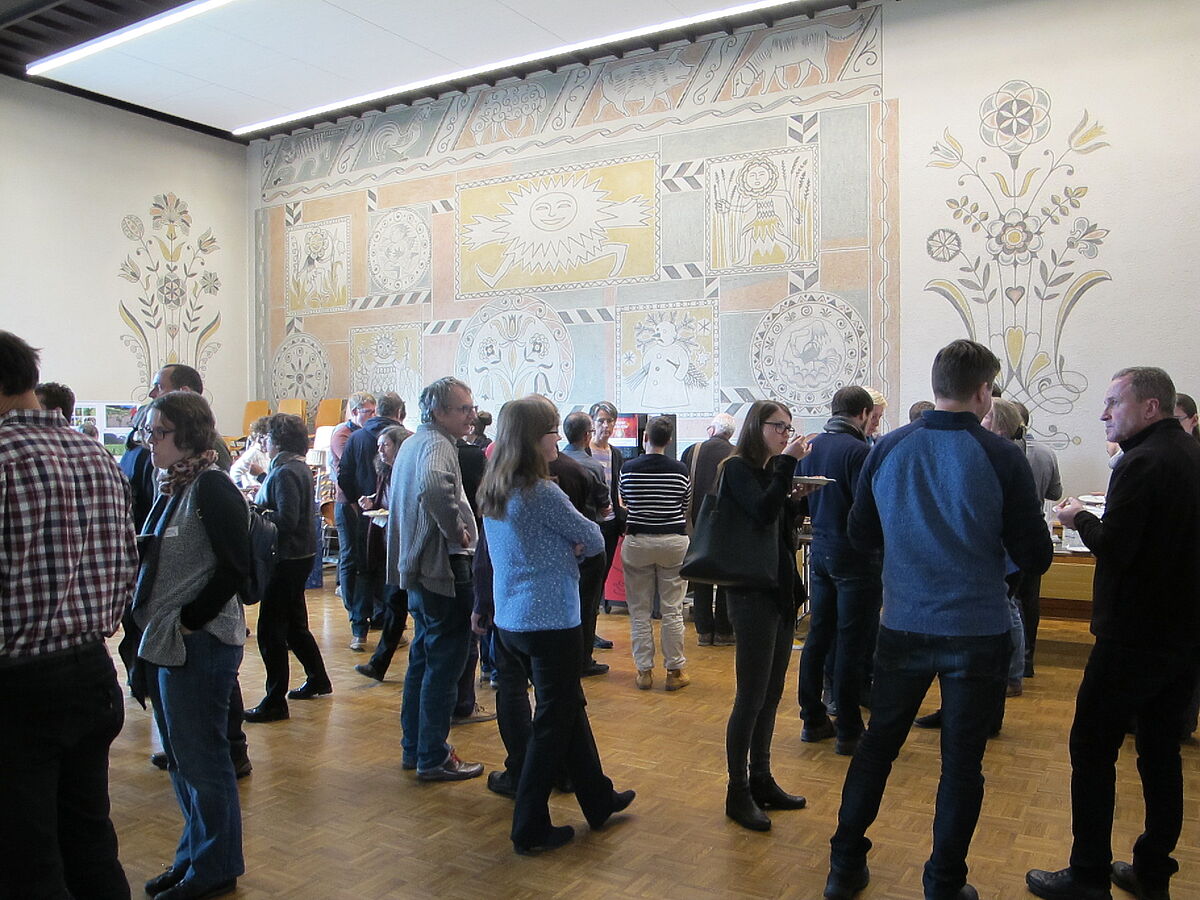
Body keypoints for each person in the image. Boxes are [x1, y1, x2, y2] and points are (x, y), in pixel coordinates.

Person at [825, 339, 1052, 900]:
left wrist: (910, 552)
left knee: (878, 746)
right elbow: (1036, 553)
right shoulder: (1001, 455)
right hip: (977, 628)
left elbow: (861, 534)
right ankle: (944, 883)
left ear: (936, 385)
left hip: (903, 619)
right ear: (984, 392)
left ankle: (844, 865)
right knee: (961, 765)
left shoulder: (888, 447)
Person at [1027, 367, 1200, 900]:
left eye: (1113, 403)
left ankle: (1087, 875)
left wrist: (1079, 517)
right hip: (1184, 633)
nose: (1103, 414)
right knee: (1160, 751)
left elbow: (1117, 548)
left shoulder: (1141, 461)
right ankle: (1152, 870)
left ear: (1150, 407)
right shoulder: (1190, 452)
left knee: (1091, 748)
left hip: (1133, 635)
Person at [0, 331, 138, 900]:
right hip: (91, 672)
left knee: (25, 861)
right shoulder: (94, 454)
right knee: (89, 841)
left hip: (18, 687)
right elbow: (128, 563)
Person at [478, 395, 634, 854]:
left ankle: (598, 798)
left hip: (512, 618)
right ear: (535, 438)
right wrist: (570, 546)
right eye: (551, 433)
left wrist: (563, 545)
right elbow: (592, 536)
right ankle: (529, 826)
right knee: (552, 721)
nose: (557, 441)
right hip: (549, 620)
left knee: (566, 705)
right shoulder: (540, 491)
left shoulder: (495, 486)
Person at [132, 390, 248, 900]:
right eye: (149, 432)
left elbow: (235, 568)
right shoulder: (174, 484)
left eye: (158, 433)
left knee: (203, 762)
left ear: (188, 434)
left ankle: (215, 867)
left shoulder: (212, 486)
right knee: (182, 760)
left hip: (200, 645)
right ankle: (193, 857)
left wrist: (189, 622)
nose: (150, 441)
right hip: (170, 643)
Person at [721, 399, 815, 832]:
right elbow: (758, 513)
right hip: (751, 593)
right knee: (750, 696)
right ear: (757, 426)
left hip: (778, 590)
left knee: (773, 693)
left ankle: (761, 777)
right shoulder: (736, 468)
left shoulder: (766, 471)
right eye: (779, 426)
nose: (785, 434)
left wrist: (795, 499)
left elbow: (775, 523)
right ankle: (737, 789)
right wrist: (788, 466)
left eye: (789, 428)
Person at [387, 376, 484, 781]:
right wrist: (455, 528)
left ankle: (416, 748)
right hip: (442, 567)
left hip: (420, 569)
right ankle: (432, 755)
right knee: (445, 664)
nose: (472, 416)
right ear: (439, 412)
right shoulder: (437, 444)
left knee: (424, 658)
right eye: (464, 409)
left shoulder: (414, 442)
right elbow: (432, 485)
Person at [797, 385, 881, 757]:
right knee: (851, 641)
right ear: (863, 413)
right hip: (856, 556)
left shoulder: (811, 447)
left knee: (818, 634)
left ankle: (812, 717)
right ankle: (848, 727)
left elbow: (801, 500)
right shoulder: (859, 451)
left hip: (821, 549)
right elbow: (870, 507)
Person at [244, 413, 332, 722]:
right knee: (294, 625)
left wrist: (254, 510)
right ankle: (318, 678)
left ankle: (275, 702)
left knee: (270, 632)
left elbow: (286, 520)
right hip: (299, 555)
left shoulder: (284, 471)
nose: (264, 443)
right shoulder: (296, 467)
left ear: (277, 441)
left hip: (286, 558)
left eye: (267, 438)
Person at [619, 415, 692, 691]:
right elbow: (684, 503)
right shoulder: (680, 469)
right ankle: (674, 671)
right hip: (673, 541)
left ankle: (644, 672)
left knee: (639, 611)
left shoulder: (628, 468)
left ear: (644, 437)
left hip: (638, 540)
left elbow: (625, 500)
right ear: (669, 440)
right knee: (672, 609)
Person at [339, 392, 407, 649]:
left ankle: (361, 631)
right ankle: (389, 630)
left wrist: (356, 502)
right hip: (391, 522)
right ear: (399, 412)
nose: (380, 450)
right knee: (387, 576)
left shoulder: (356, 438)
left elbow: (344, 475)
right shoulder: (405, 439)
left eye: (384, 447)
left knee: (365, 572)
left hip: (367, 518)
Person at [354, 425, 412, 682]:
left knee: (396, 603)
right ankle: (379, 664)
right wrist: (372, 503)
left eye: (385, 445)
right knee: (395, 604)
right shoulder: (385, 472)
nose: (380, 450)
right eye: (378, 446)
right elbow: (386, 503)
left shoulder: (407, 472)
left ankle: (380, 664)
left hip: (406, 547)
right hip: (391, 543)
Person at [560, 411, 614, 675]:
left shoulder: (552, 463)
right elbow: (605, 507)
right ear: (586, 435)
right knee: (588, 602)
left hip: (559, 543)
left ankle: (564, 656)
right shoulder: (592, 467)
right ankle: (583, 659)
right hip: (588, 541)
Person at [681, 413, 737, 646]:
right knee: (725, 578)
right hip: (727, 525)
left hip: (696, 524)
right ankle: (724, 631)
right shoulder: (737, 454)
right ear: (730, 434)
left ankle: (704, 631)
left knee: (700, 574)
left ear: (712, 430)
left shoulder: (692, 451)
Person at [329, 391, 376, 629]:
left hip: (363, 501)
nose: (373, 416)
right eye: (369, 412)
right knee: (348, 555)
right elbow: (355, 466)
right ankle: (351, 606)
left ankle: (367, 608)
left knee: (364, 555)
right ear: (355, 411)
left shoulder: (363, 434)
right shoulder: (342, 434)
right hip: (347, 502)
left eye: (375, 411)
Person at [149, 364, 232, 470]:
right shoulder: (163, 464)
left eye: (159, 387)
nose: (151, 394)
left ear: (184, 393)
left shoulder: (212, 446)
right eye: (150, 430)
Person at [588, 400, 626, 634]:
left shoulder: (616, 453)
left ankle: (593, 629)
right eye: (601, 421)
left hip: (610, 524)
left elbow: (617, 488)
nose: (606, 426)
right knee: (587, 580)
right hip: (589, 523)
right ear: (592, 423)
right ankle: (585, 631)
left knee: (601, 578)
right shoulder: (584, 451)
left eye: (610, 421)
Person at [229, 415, 269, 491]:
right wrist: (240, 488)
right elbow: (235, 471)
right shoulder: (253, 452)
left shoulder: (267, 454)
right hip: (253, 488)